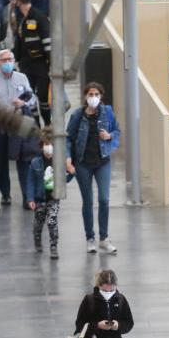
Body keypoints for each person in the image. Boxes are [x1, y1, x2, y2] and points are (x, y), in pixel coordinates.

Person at [65, 82, 121, 255]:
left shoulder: (108, 112)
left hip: (102, 161)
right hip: (83, 163)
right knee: (87, 201)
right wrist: (68, 159)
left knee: (104, 199)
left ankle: (104, 238)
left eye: (97, 94)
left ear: (101, 96)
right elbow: (68, 138)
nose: (94, 97)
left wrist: (109, 135)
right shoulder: (77, 115)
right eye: (90, 94)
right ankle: (90, 238)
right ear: (85, 96)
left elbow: (117, 131)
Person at [0, 49, 36, 206]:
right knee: (1, 160)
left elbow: (32, 98)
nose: (7, 63)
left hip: (19, 123)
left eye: (10, 59)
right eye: (4, 60)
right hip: (0, 125)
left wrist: (24, 103)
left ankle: (27, 195)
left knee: (23, 159)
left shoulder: (21, 78)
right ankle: (5, 193)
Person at [12, 0, 51, 123]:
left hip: (41, 64)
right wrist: (14, 61)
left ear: (19, 2)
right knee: (29, 96)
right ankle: (36, 127)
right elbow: (19, 42)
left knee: (43, 98)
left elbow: (47, 42)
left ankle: (47, 124)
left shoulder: (39, 17)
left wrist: (51, 64)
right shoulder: (22, 19)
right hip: (26, 65)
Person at [28, 128, 61, 258]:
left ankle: (54, 246)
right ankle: (37, 240)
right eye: (46, 144)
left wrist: (71, 172)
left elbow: (65, 179)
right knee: (38, 222)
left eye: (51, 144)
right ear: (42, 146)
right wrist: (30, 198)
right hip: (40, 198)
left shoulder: (59, 162)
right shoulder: (35, 162)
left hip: (53, 197)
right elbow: (30, 181)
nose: (49, 148)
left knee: (52, 221)